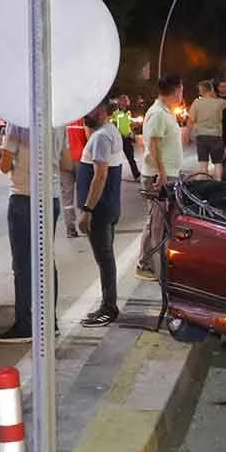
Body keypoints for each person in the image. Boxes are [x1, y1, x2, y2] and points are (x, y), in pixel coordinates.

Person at [0, 118, 70, 343]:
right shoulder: (59, 120)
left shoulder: (17, 121)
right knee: (46, 259)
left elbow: (5, 165)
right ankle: (50, 322)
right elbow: (66, 163)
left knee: (23, 263)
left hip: (24, 197)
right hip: (52, 197)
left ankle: (26, 324)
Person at [76, 101, 126, 327]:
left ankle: (108, 308)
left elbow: (100, 176)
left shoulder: (100, 137)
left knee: (104, 259)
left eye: (92, 109)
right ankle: (108, 305)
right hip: (109, 206)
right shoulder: (107, 132)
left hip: (100, 209)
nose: (87, 113)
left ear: (104, 111)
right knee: (106, 258)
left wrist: (87, 210)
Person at [136, 75, 184, 281]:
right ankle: (154, 267)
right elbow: (153, 146)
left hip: (166, 173)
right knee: (157, 224)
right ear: (175, 91)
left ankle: (148, 263)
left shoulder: (165, 112)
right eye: (181, 90)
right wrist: (162, 172)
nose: (182, 94)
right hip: (159, 176)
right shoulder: (157, 114)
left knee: (157, 222)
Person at [188, 80, 226, 179]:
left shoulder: (196, 103)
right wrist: (214, 96)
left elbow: (190, 121)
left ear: (201, 90)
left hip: (202, 136)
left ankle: (203, 185)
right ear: (211, 89)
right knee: (218, 163)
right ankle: (219, 182)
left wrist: (188, 134)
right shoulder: (219, 102)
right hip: (216, 136)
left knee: (203, 163)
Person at [62, 118, 88, 238]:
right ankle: (85, 224)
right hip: (81, 160)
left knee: (67, 197)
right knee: (83, 193)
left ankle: (70, 228)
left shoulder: (61, 121)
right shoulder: (81, 119)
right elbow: (88, 139)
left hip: (65, 160)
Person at [113, 94, 140, 181]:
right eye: (124, 100)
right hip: (119, 138)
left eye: (126, 100)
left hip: (127, 138)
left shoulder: (128, 113)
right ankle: (115, 176)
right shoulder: (116, 113)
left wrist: (133, 129)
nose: (126, 102)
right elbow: (114, 125)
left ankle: (136, 175)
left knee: (131, 158)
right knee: (117, 158)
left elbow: (129, 125)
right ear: (120, 102)